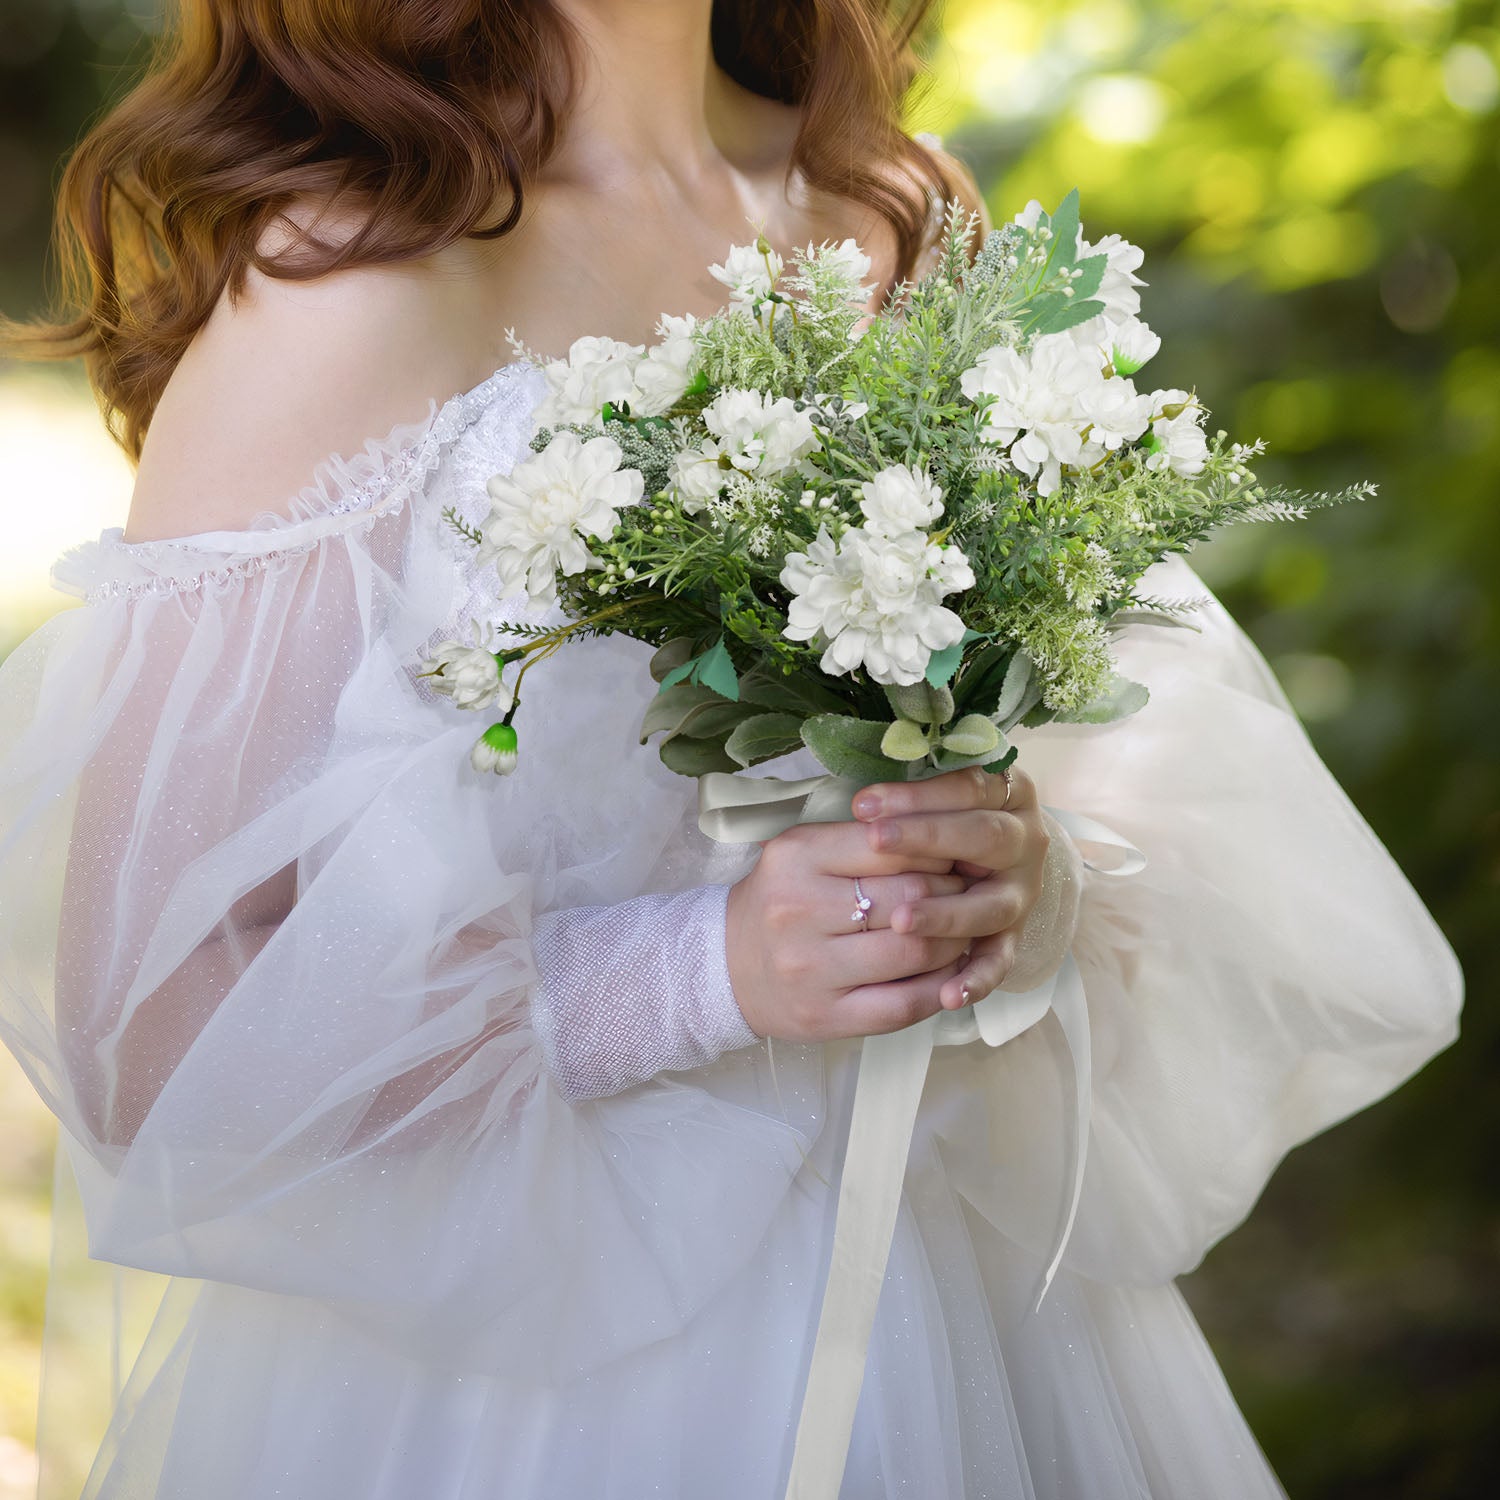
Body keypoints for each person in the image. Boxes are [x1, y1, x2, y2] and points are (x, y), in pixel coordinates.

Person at [0, 2, 1463, 1497]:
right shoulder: (352, 284)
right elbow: (144, 1028)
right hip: (533, 1370)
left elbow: (1101, 741)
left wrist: (1009, 874)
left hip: (948, 1300)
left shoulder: (902, 221)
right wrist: (702, 974)